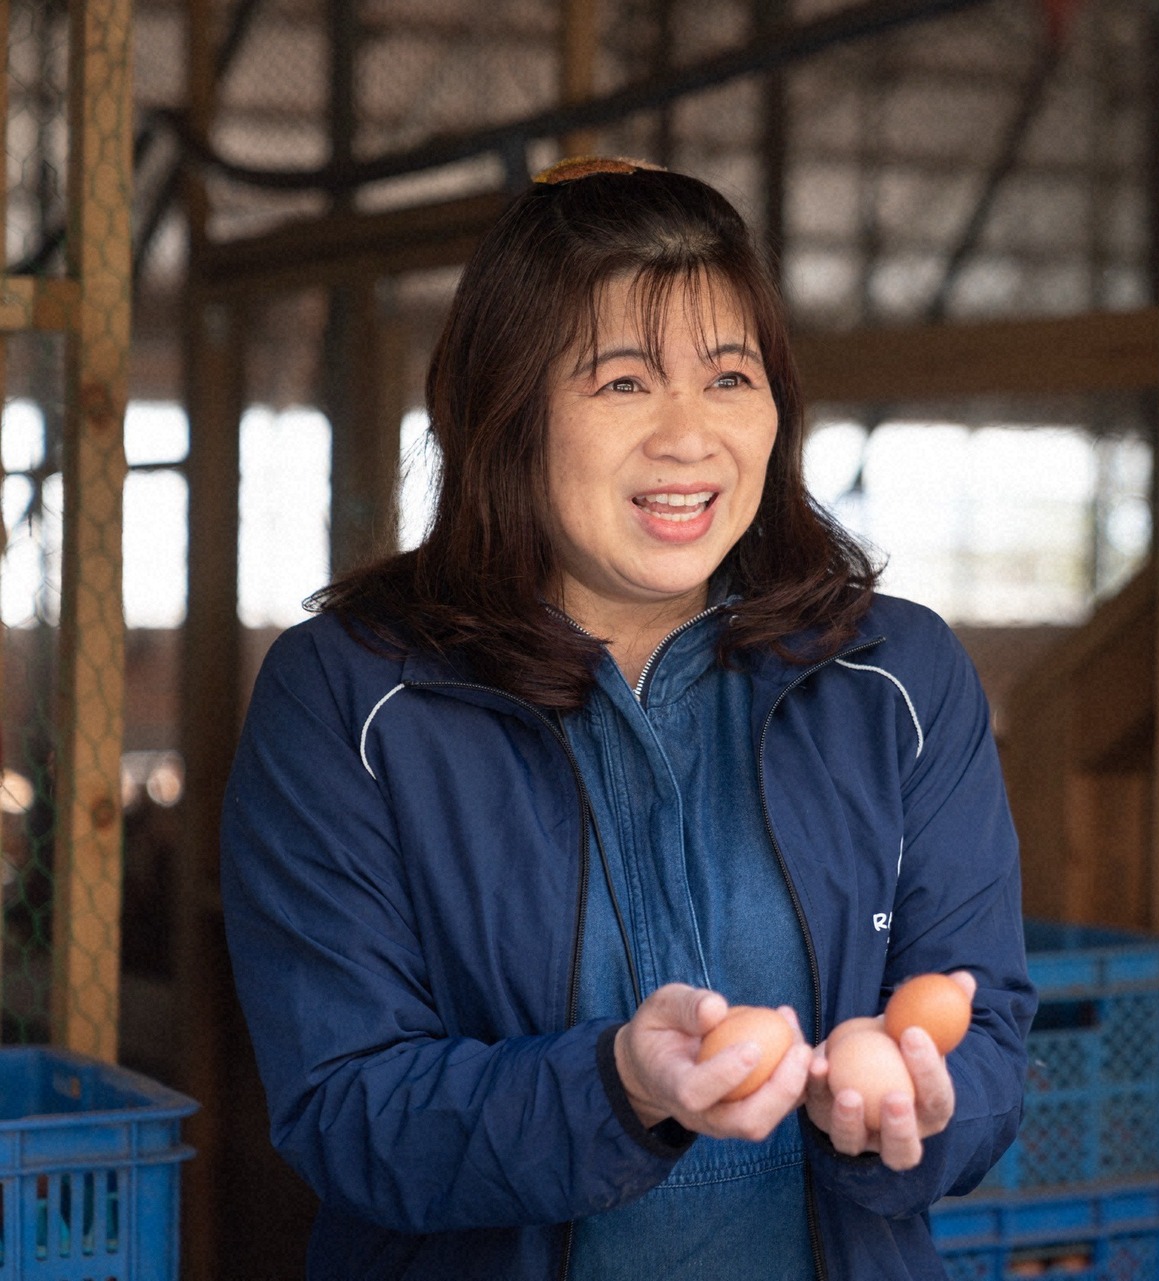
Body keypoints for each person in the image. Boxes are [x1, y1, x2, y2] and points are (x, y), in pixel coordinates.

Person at [221, 157, 1035, 1280]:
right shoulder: (356, 694)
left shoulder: (892, 675)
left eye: (730, 376)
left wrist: (911, 1107)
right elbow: (345, 1104)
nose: (689, 437)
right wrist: (616, 1087)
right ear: (507, 411)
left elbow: (984, 1031)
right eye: (622, 383)